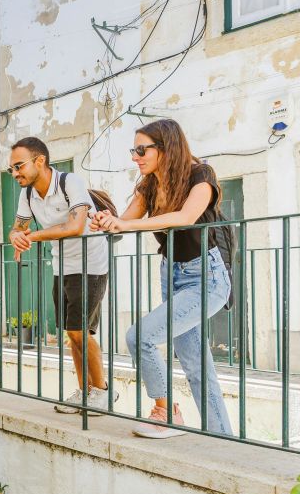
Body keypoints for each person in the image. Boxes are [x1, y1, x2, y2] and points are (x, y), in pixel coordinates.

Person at [90, 118, 233, 437]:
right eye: (133, 150)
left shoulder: (200, 174)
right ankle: (224, 439)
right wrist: (106, 220)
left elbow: (185, 218)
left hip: (205, 276)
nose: (135, 156)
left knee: (140, 336)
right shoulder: (149, 185)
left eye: (142, 149)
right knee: (195, 364)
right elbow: (124, 220)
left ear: (166, 148)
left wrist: (123, 225)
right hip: (172, 273)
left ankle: (166, 412)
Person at [6, 137, 115, 414]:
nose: (15, 173)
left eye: (19, 166)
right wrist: (16, 237)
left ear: (39, 161)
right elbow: (17, 227)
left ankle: (101, 391)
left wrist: (33, 236)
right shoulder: (27, 194)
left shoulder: (70, 183)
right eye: (11, 170)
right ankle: (84, 392)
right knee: (72, 334)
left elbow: (76, 226)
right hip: (62, 265)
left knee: (81, 330)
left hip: (91, 263)